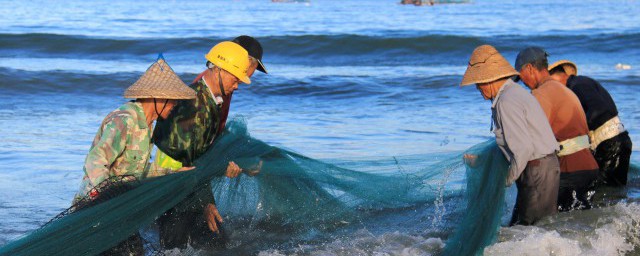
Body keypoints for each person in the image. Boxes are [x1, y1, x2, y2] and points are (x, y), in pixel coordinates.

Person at [73, 57, 197, 255]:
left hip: (120, 208)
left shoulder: (147, 126)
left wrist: (173, 173)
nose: (175, 104)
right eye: (172, 98)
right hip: (95, 208)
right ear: (157, 97)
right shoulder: (124, 121)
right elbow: (95, 161)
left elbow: (138, 171)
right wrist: (107, 197)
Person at [152, 40, 262, 250]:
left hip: (187, 187)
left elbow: (201, 154)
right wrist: (207, 203)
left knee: (208, 245)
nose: (237, 86)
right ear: (218, 70)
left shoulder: (210, 101)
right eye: (235, 78)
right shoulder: (194, 105)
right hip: (174, 191)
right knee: (177, 248)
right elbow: (189, 161)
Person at [461, 45, 560, 225]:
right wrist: (481, 160)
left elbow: (523, 149)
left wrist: (505, 181)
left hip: (537, 170)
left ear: (488, 80)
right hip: (543, 167)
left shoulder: (506, 101)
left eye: (478, 85)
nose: (478, 91)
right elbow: (513, 144)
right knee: (531, 229)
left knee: (530, 232)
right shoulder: (513, 93)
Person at [515, 47, 600, 211]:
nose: (523, 83)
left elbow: (532, 136)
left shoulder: (541, 94)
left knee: (551, 225)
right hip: (589, 167)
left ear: (530, 69)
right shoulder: (563, 89)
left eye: (521, 77)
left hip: (571, 170)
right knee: (580, 226)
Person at [548, 60, 632, 186]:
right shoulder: (582, 82)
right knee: (614, 190)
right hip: (617, 140)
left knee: (604, 191)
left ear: (558, 76)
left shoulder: (577, 85)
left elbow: (599, 109)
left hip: (610, 145)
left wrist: (579, 129)